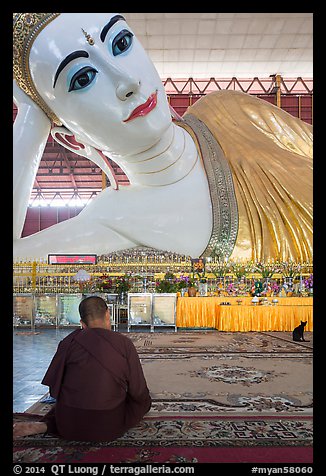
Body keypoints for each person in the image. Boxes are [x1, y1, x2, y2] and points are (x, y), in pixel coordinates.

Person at [13, 13, 312, 263]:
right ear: (72, 140)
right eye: (83, 78)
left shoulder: (230, 112)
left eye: (121, 43)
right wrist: (31, 115)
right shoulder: (113, 218)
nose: (127, 82)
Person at [13, 296, 151, 441]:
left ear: (82, 324)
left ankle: (47, 425)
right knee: (142, 403)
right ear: (108, 314)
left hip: (69, 426)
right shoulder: (124, 343)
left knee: (65, 405)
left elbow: (54, 390)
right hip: (108, 427)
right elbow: (138, 390)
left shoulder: (68, 342)